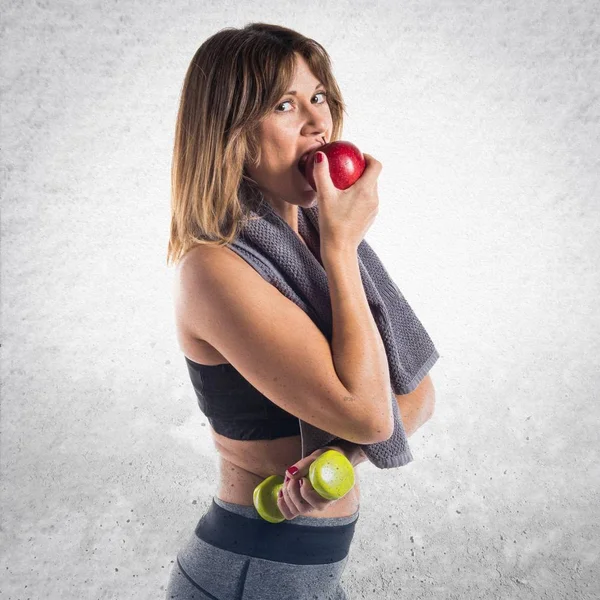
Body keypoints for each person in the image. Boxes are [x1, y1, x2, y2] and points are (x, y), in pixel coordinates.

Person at [165, 22, 436, 600]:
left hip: (305, 572)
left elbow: (415, 394)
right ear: (231, 134)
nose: (318, 122)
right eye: (286, 105)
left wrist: (329, 465)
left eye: (318, 97)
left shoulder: (317, 239)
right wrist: (342, 250)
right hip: (249, 568)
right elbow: (370, 417)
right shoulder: (214, 270)